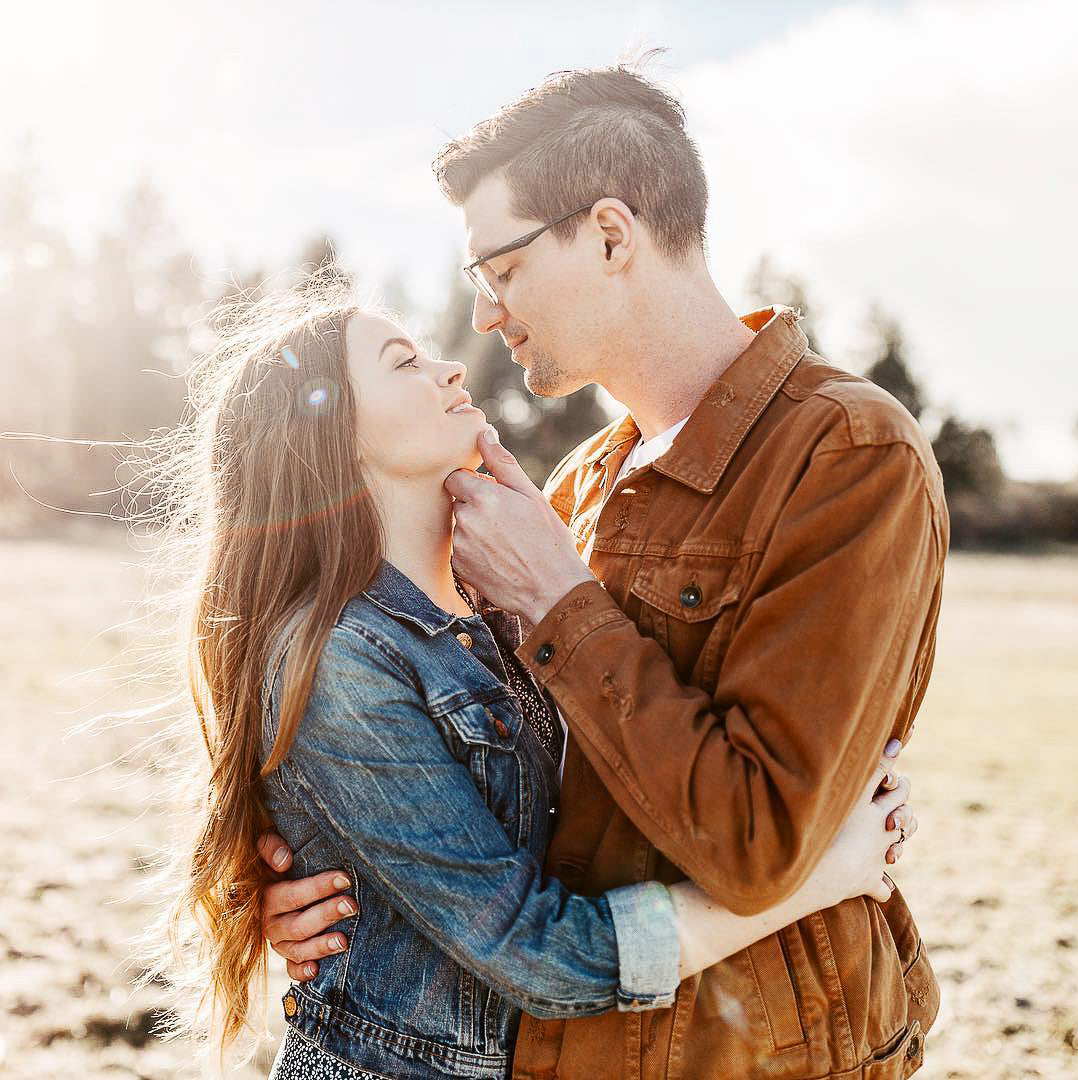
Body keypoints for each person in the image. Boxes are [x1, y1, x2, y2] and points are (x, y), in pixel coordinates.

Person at [263, 63, 947, 1079]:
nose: (487, 314)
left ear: (612, 235)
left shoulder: (847, 456)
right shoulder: (578, 483)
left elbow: (759, 846)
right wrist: (321, 874)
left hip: (754, 1056)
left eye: (499, 269)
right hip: (565, 1048)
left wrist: (558, 601)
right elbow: (466, 768)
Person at [161, 277, 913, 1078]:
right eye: (402, 362)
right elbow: (540, 955)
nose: (451, 367)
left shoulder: (492, 610)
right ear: (331, 435)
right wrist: (818, 880)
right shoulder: (343, 660)